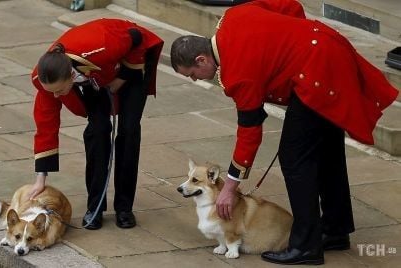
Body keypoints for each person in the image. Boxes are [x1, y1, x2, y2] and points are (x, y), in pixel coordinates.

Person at [170, 0, 398, 265]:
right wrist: (293, 43)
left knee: (294, 157)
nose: (197, 79)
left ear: (202, 58)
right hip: (327, 47)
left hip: (316, 74)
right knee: (326, 150)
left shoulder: (238, 74)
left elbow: (250, 133)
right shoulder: (233, 16)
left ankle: (306, 246)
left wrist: (230, 187)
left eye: (194, 74)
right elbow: (290, 6)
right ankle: (335, 230)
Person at [29, 18, 163, 230]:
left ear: (70, 76)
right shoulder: (46, 80)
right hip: (96, 77)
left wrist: (121, 79)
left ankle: (124, 208)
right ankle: (95, 207)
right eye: (51, 91)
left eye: (59, 90)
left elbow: (136, 39)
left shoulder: (101, 45)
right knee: (98, 130)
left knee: (128, 130)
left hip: (131, 64)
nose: (55, 96)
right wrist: (40, 179)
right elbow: (45, 126)